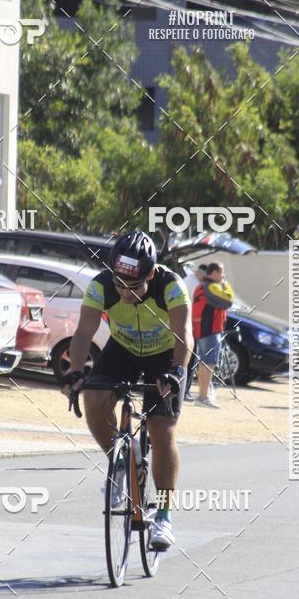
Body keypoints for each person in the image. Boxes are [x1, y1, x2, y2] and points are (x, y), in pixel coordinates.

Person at [61, 230, 193, 551]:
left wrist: (176, 372)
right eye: (119, 283)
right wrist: (76, 372)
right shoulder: (101, 285)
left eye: (134, 286)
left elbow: (184, 337)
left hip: (165, 355)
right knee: (93, 396)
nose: (124, 292)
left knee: (162, 433)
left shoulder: (171, 286)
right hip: (123, 350)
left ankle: (163, 516)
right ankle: (122, 463)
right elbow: (83, 333)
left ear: (151, 273)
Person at [189, 262, 234, 408]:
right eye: (222, 273)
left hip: (203, 330)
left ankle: (203, 395)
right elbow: (228, 300)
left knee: (205, 363)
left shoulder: (202, 286)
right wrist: (225, 284)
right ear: (214, 273)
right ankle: (203, 397)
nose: (223, 276)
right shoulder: (211, 286)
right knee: (208, 363)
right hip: (209, 331)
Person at [184, 264, 208, 400]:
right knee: (190, 359)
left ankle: (186, 390)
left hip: (191, 325)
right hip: (190, 326)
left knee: (191, 359)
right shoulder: (193, 283)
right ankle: (184, 390)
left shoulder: (191, 281)